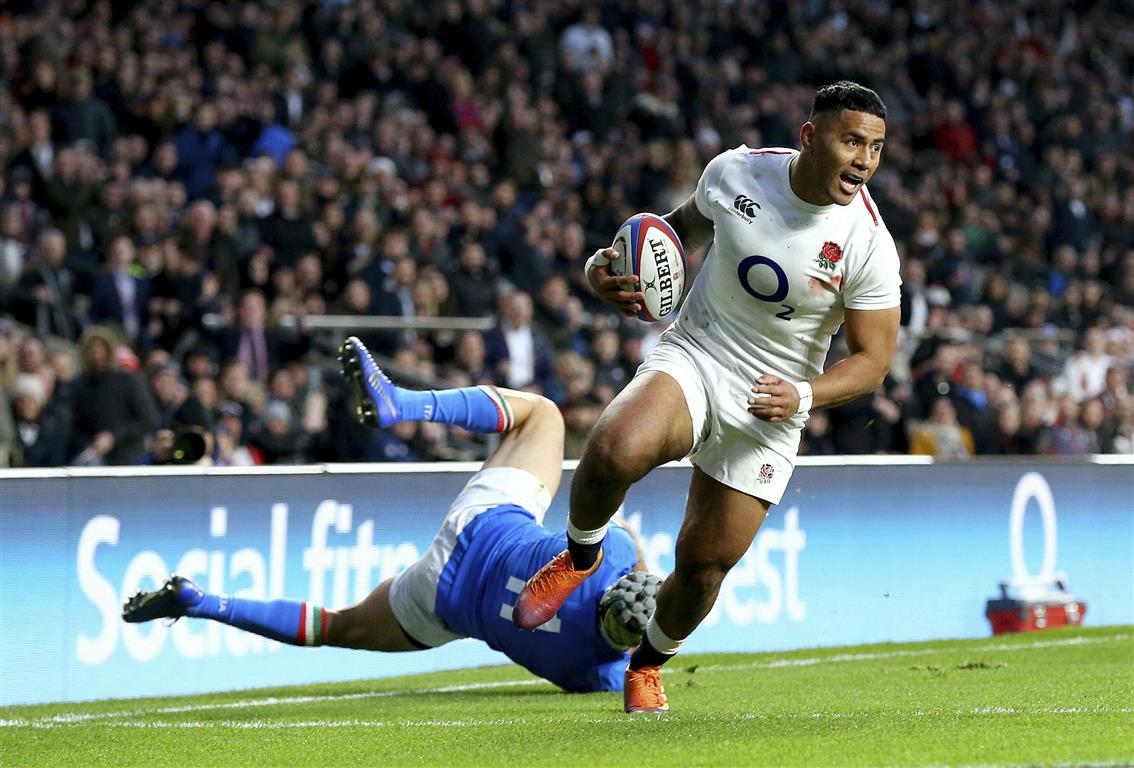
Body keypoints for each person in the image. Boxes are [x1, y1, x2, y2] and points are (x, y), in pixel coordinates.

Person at [513, 81, 902, 713]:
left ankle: (646, 665)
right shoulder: (736, 173)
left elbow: (874, 362)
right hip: (699, 353)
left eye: (877, 148)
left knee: (704, 564)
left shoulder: (867, 245)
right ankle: (580, 558)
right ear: (810, 137)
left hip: (772, 404)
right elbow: (666, 238)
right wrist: (602, 271)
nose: (864, 161)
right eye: (852, 141)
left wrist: (802, 394)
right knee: (615, 448)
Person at [123, 336, 661, 694]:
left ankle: (403, 403)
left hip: (486, 523)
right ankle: (205, 603)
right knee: (337, 626)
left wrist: (642, 569)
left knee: (541, 416)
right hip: (443, 601)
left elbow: (624, 540)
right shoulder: (594, 674)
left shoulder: (612, 552)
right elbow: (630, 667)